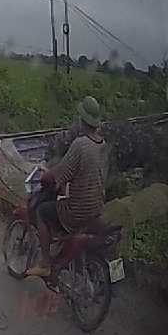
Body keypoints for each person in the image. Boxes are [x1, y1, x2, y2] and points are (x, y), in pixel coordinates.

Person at [25, 96, 107, 278]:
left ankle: (45, 263)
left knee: (42, 212)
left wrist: (46, 176)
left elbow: (58, 174)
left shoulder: (80, 144)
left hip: (78, 210)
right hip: (97, 207)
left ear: (82, 120)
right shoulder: (102, 144)